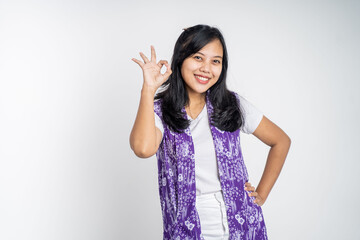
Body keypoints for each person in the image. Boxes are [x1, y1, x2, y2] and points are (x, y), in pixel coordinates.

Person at [130, 24, 291, 240]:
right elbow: (142, 149)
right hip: (190, 228)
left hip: (243, 224)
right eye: (198, 57)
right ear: (181, 59)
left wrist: (261, 194)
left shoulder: (231, 104)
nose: (207, 68)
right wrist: (148, 90)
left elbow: (281, 141)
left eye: (215, 61)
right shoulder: (160, 111)